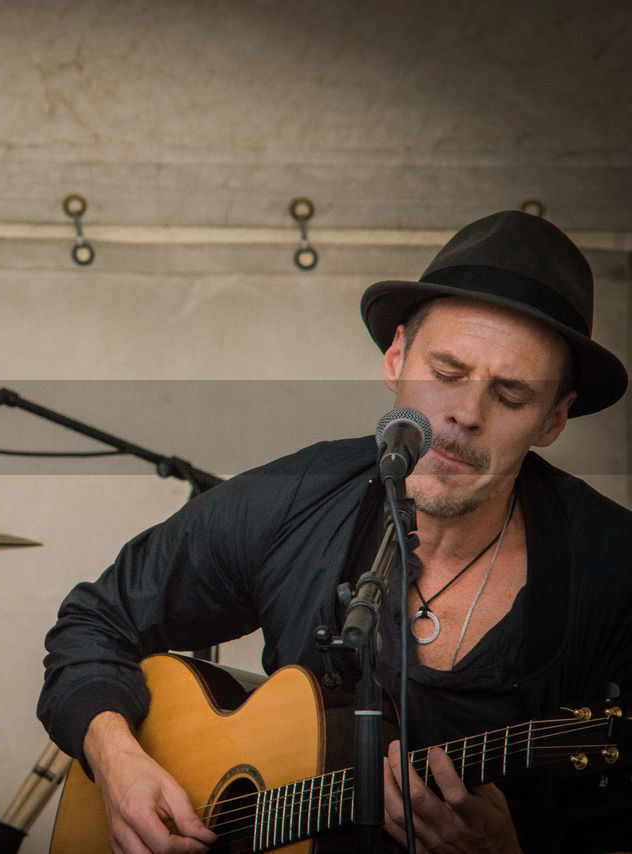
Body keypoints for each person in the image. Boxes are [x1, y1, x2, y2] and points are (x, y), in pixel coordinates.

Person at [37, 211, 632, 853]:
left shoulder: (614, 574)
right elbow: (93, 624)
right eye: (448, 373)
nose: (465, 414)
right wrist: (118, 762)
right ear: (397, 357)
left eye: (511, 397)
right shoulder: (297, 499)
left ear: (554, 419)